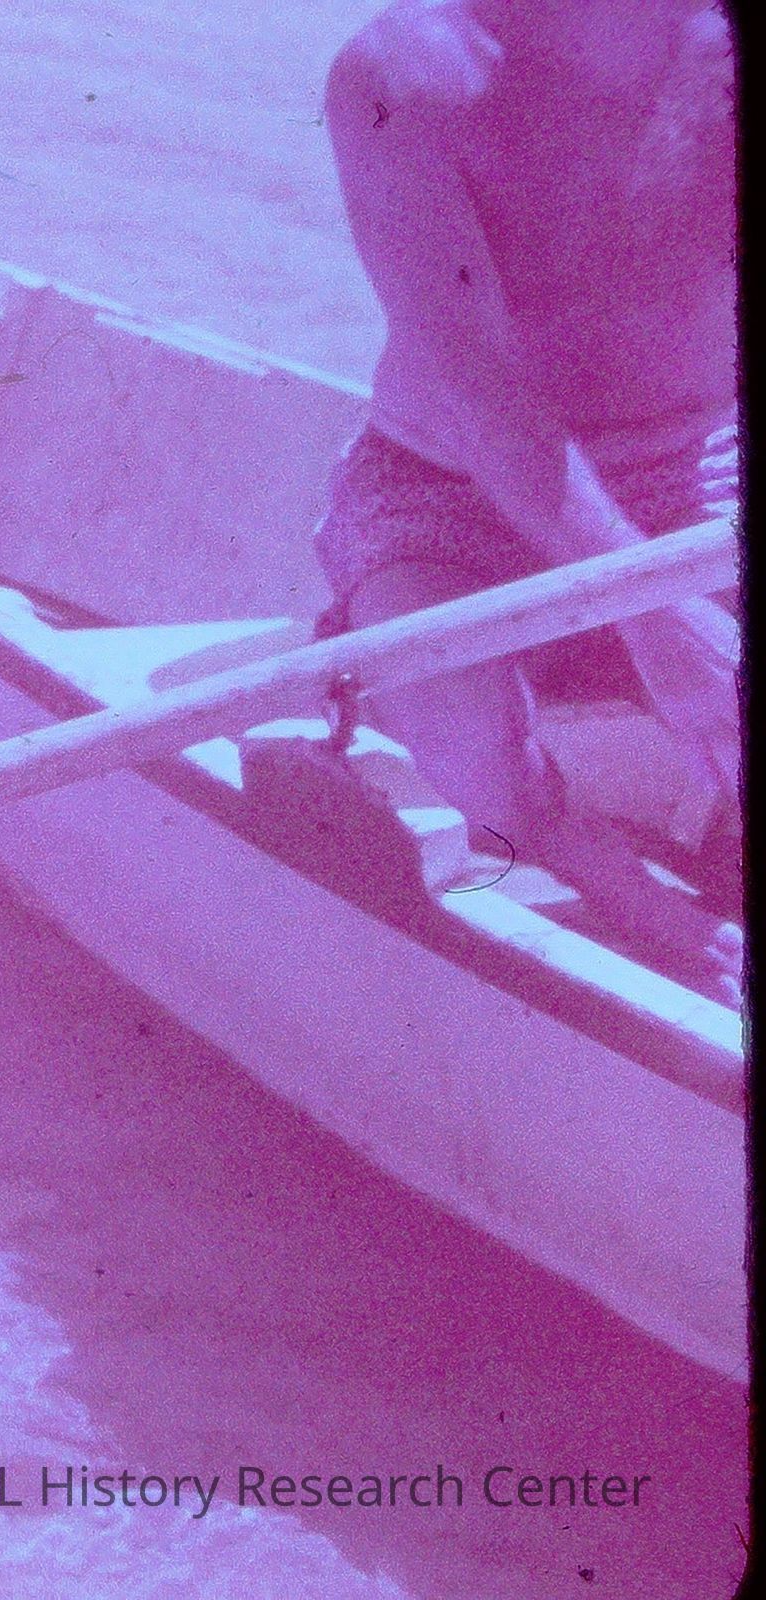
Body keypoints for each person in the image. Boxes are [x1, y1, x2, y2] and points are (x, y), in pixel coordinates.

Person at [314, 0, 741, 999]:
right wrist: (657, 615)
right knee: (470, 740)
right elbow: (476, 392)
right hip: (444, 490)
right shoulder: (402, 70)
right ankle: (630, 898)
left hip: (696, 471)